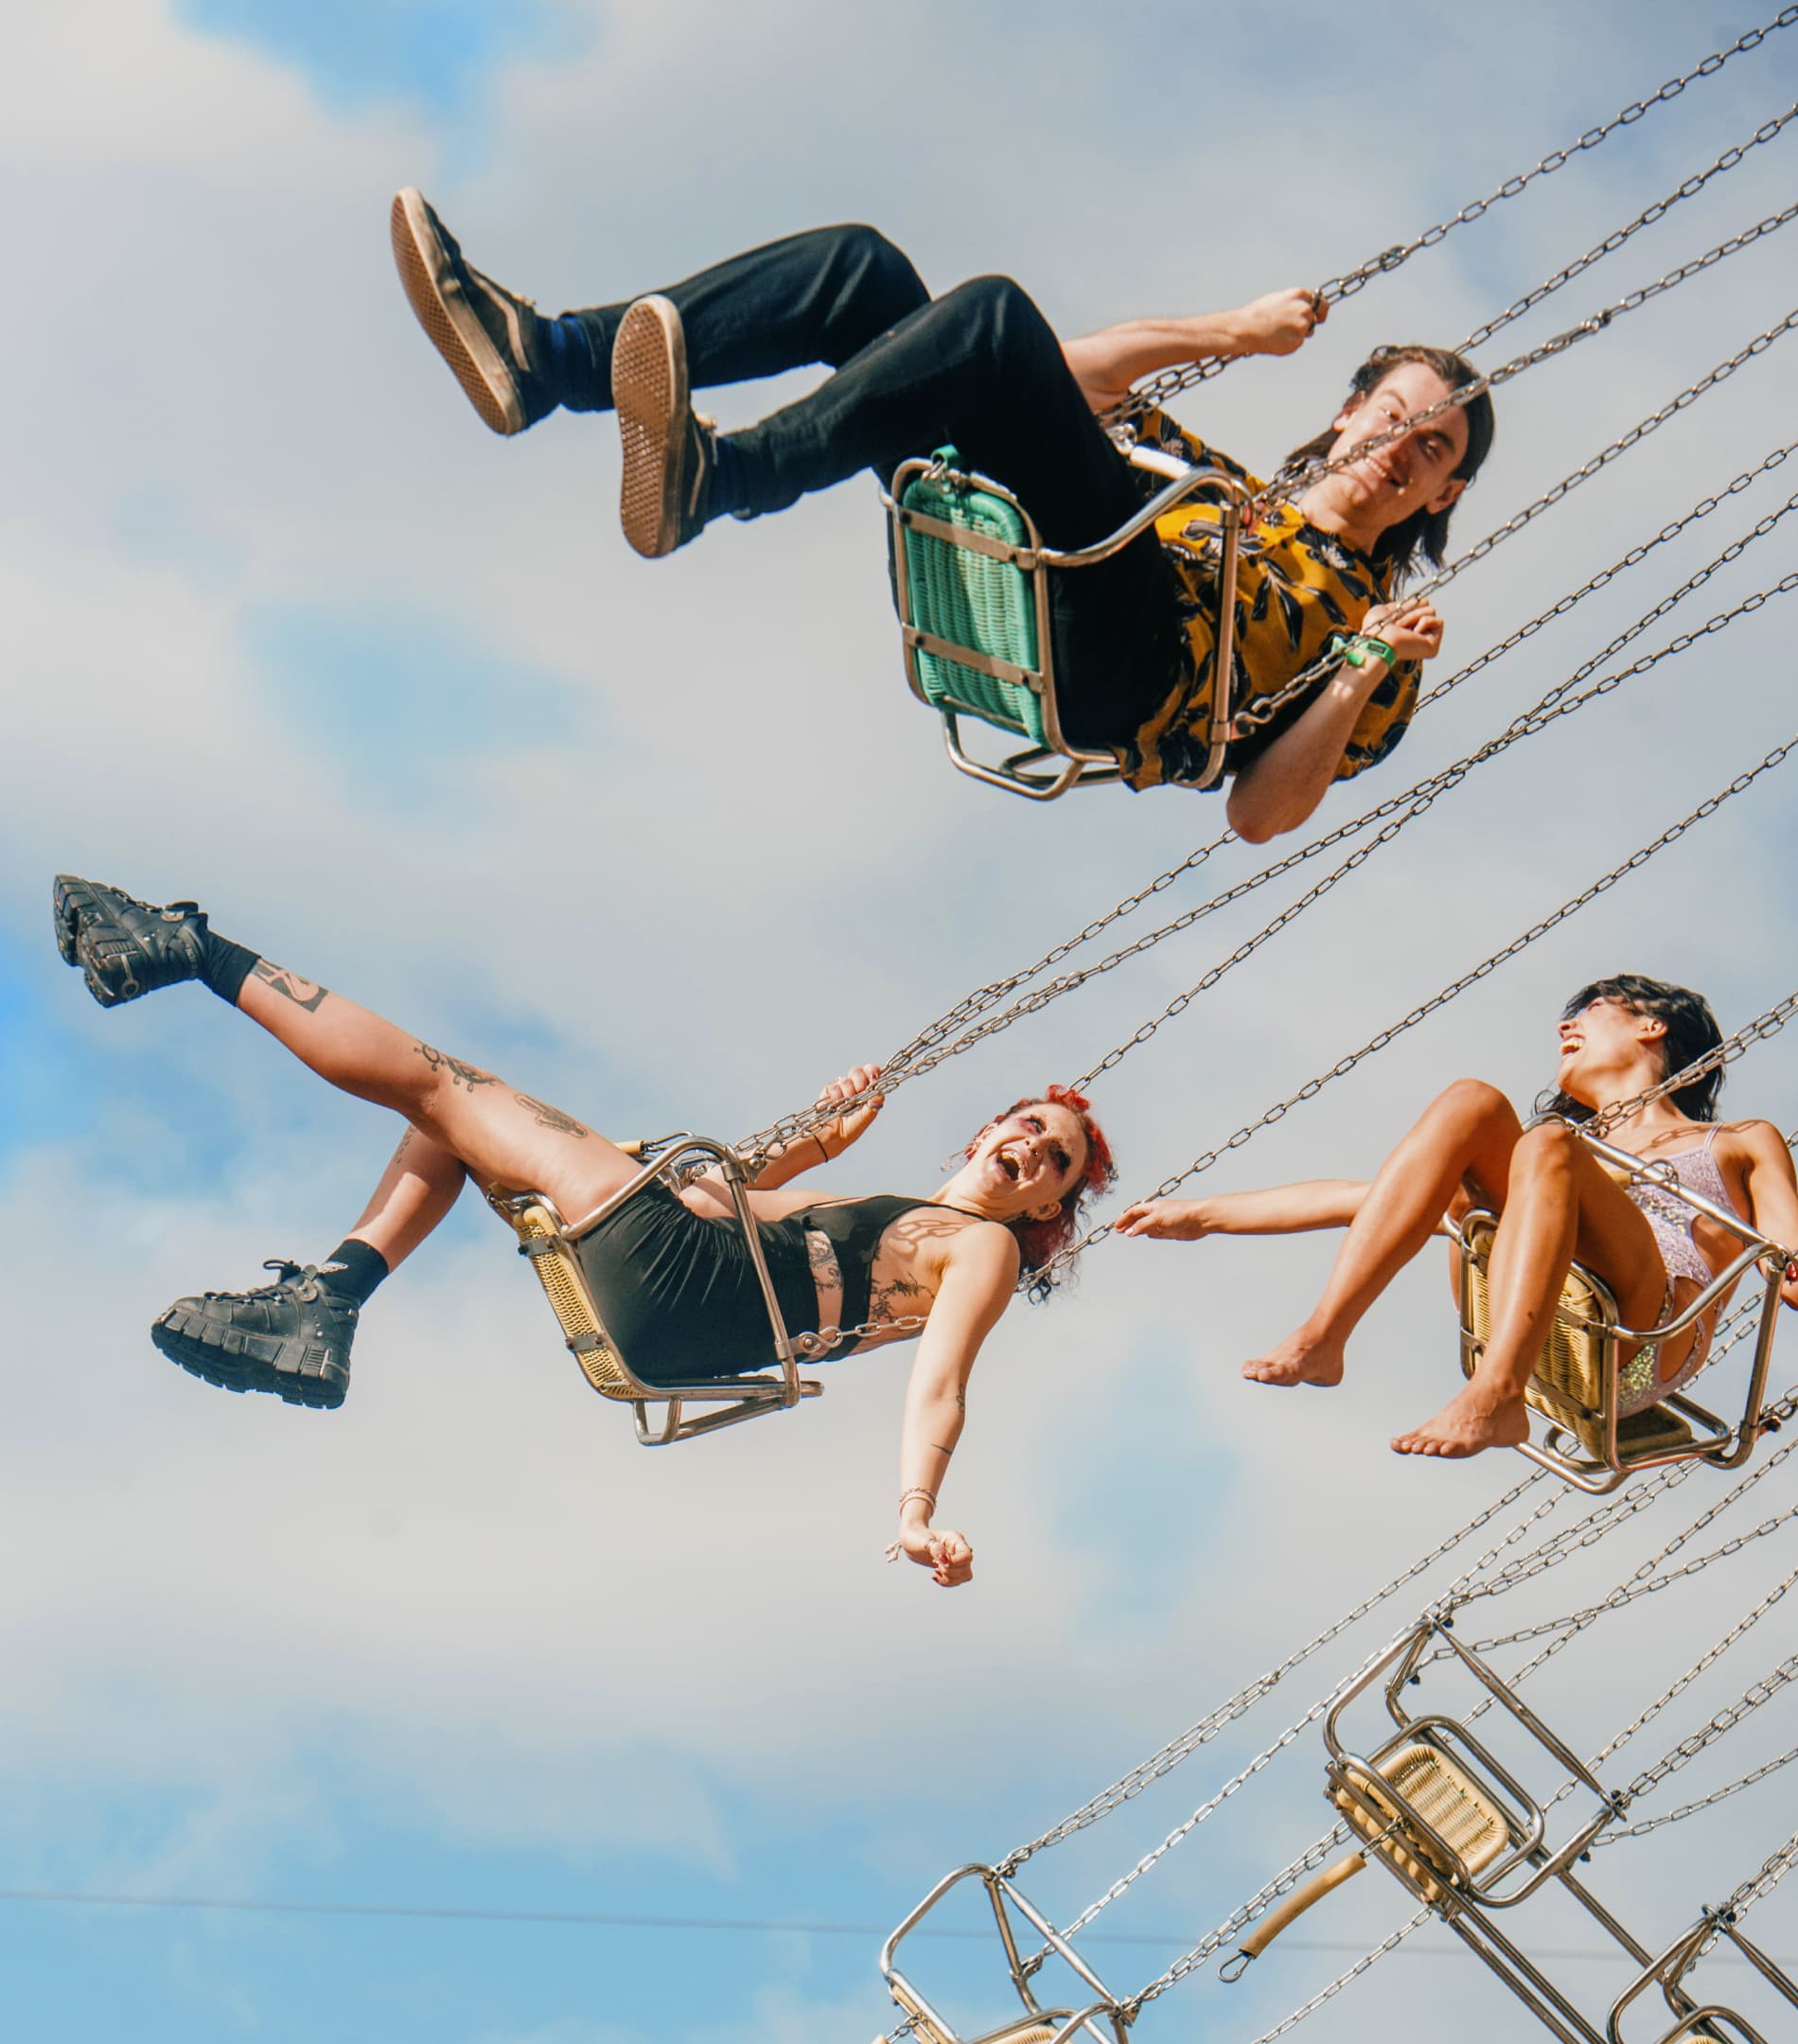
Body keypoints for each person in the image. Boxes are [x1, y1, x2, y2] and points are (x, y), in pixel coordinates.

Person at [53, 875, 1115, 1587]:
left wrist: (915, 1511)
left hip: (685, 1278)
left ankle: (190, 950)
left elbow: (942, 1381)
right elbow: (734, 1197)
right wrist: (817, 1147)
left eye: (1056, 1161)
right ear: (986, 1130)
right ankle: (327, 1298)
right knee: (452, 1121)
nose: (1032, 1147)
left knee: (439, 1079)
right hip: (680, 1311)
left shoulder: (979, 1248)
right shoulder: (911, 1224)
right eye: (1028, 1125)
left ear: (1045, 1211)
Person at [389, 199, 1497, 837]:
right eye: (1393, 414)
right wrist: (1233, 333)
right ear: (1349, 410)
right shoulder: (1225, 485)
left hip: (1133, 666)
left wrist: (1356, 668)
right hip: (1040, 560)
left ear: (1443, 492)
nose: (1400, 446)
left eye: (1432, 447)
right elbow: (1059, 375)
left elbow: (1257, 816)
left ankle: (724, 478)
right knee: (862, 273)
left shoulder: (1383, 644)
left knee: (994, 317)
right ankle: (549, 361)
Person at [1118, 976, 1798, 1458]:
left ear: (1653, 1025)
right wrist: (1202, 1214)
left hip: (1643, 1343)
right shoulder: (1554, 1157)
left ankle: (1497, 1393)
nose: (1565, 1027)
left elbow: (1790, 1258)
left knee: (1549, 1143)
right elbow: (1369, 1198)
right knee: (1473, 1103)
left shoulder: (1738, 1142)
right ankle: (1324, 1338)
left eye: (1592, 1010)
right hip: (1537, 1316)